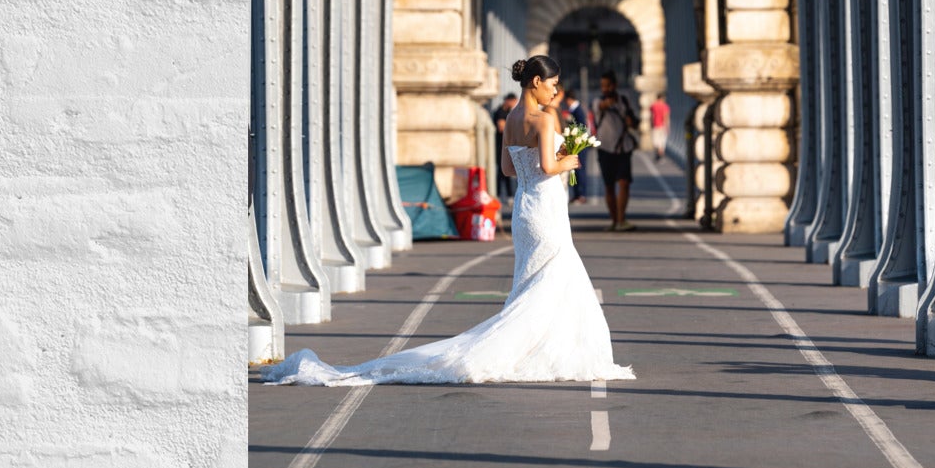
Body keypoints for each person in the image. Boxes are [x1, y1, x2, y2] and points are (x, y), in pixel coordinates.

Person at [256, 54, 632, 386]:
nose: (556, 91)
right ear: (537, 82)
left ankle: (534, 346)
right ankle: (547, 350)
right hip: (547, 211)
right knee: (554, 279)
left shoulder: (514, 116)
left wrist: (548, 160)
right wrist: (568, 159)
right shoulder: (545, 119)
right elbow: (550, 166)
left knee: (535, 283)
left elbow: (507, 167)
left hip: (525, 209)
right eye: (552, 84)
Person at [592, 70, 639, 231]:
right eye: (603, 86)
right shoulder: (598, 101)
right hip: (605, 148)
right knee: (609, 185)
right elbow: (600, 106)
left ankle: (621, 219)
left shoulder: (624, 101)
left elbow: (634, 122)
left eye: (608, 85)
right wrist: (608, 104)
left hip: (623, 148)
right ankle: (614, 220)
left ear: (615, 85)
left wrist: (630, 121)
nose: (605, 88)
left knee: (624, 183)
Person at [648, 92, 669, 159]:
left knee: (656, 140)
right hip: (662, 125)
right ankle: (661, 153)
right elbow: (666, 117)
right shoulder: (665, 106)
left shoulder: (653, 106)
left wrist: (651, 124)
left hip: (655, 125)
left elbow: (651, 116)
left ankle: (658, 152)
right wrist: (667, 126)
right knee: (662, 140)